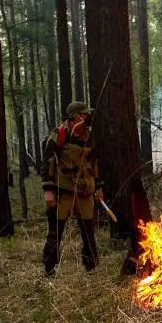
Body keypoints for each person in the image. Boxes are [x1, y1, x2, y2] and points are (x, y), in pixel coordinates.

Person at [40, 101, 103, 276]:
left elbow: (94, 163)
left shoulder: (90, 136)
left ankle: (91, 268)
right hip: (63, 191)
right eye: (84, 115)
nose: (87, 118)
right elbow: (46, 162)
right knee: (56, 232)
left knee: (88, 232)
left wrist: (99, 187)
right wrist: (48, 190)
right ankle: (50, 270)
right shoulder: (59, 134)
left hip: (85, 192)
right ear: (76, 117)